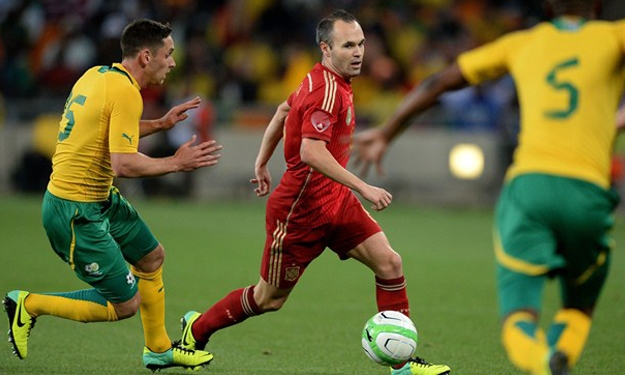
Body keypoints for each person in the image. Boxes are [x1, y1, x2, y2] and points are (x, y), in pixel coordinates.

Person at [352, 1, 623, 374]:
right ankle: (561, 355)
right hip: (588, 191)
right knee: (578, 305)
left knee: (518, 317)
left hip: (530, 189)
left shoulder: (520, 43)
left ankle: (543, 363)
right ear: (596, 5)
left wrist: (387, 130)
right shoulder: (614, 36)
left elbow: (438, 82)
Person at [178, 9, 451, 375]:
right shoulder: (325, 92)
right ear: (326, 48)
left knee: (390, 262)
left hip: (335, 202)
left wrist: (261, 161)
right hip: (299, 212)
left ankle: (401, 364)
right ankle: (195, 330)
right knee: (267, 299)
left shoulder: (324, 79)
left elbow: (281, 110)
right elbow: (310, 151)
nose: (358, 52)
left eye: (361, 44)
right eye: (348, 45)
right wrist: (363, 186)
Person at [2, 18, 222, 371]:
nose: (173, 62)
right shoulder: (126, 92)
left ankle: (159, 349)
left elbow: (110, 128)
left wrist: (160, 125)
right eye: (169, 53)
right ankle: (28, 305)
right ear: (147, 56)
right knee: (125, 305)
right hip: (74, 210)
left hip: (99, 199)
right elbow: (124, 165)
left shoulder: (98, 76)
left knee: (151, 257)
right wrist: (177, 163)